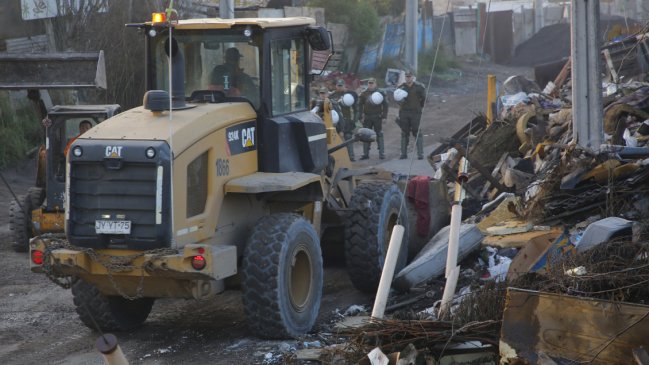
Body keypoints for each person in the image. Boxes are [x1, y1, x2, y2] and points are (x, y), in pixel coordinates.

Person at [396, 70, 426, 160]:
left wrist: (419, 107)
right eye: (406, 76)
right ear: (405, 77)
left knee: (417, 132)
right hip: (404, 113)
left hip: (415, 113)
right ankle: (403, 153)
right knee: (404, 132)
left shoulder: (419, 87)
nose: (408, 78)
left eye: (409, 76)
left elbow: (424, 98)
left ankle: (420, 154)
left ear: (413, 77)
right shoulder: (401, 88)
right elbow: (397, 99)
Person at [358, 78, 389, 160]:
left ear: (375, 84)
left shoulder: (380, 93)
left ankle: (382, 153)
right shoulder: (364, 93)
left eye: (372, 83)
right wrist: (360, 116)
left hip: (377, 117)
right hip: (367, 117)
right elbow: (360, 105)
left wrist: (384, 117)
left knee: (379, 134)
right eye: (369, 83)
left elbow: (385, 105)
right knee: (365, 134)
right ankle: (365, 154)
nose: (370, 84)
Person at [329, 79, 358, 161]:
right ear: (336, 86)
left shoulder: (350, 95)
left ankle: (351, 156)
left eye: (341, 85)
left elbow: (356, 109)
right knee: (335, 138)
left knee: (348, 137)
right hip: (336, 121)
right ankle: (337, 157)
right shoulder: (332, 96)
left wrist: (355, 120)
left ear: (344, 85)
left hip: (347, 120)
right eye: (338, 85)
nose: (339, 87)